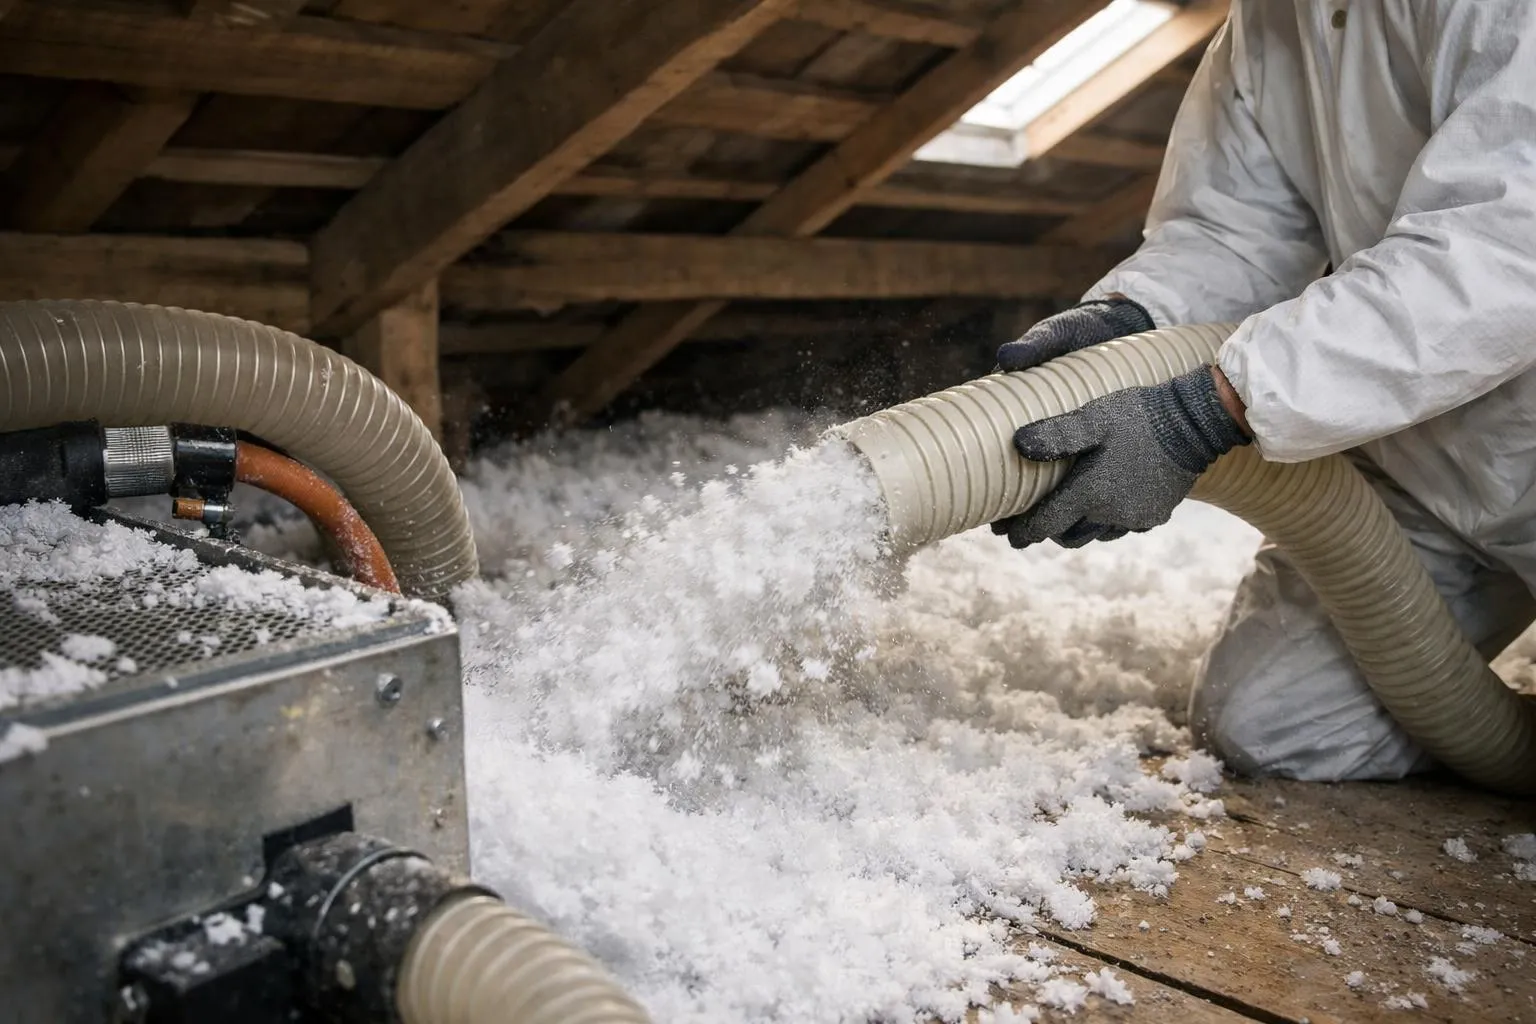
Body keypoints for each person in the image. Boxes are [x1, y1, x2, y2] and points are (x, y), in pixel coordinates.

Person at [989, 1, 1536, 782]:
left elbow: (1502, 251)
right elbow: (1231, 232)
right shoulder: (1269, 23)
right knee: (1270, 720)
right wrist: (1131, 319)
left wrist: (1205, 411)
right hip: (1425, 459)